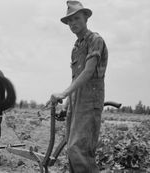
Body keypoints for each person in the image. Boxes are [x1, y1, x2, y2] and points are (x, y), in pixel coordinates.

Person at [50, 1, 108, 173]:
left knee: (79, 150)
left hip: (90, 101)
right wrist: (66, 103)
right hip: (76, 102)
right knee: (72, 151)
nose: (73, 23)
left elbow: (89, 72)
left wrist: (63, 93)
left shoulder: (95, 40)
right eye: (69, 21)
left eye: (76, 18)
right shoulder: (76, 47)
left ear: (86, 18)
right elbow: (75, 77)